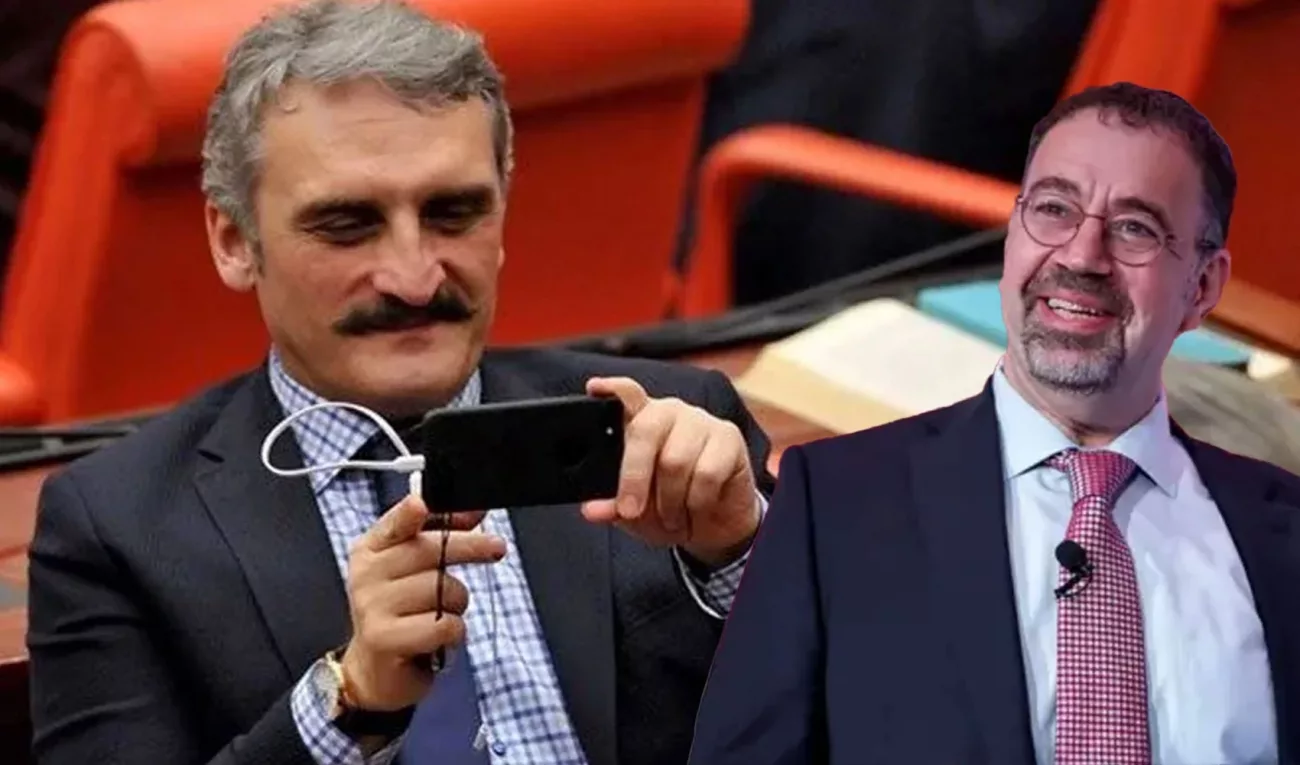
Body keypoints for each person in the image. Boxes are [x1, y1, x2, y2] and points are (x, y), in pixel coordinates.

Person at [25, 2, 775, 764]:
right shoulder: (118, 528)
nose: (414, 278)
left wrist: (743, 558)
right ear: (234, 241)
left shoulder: (669, 430)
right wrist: (349, 699)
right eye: (347, 225)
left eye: (454, 213)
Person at [687, 82, 1300, 765]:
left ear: (1203, 287)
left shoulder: (1283, 533)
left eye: (1135, 228)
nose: (1081, 256)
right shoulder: (836, 504)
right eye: (1054, 209)